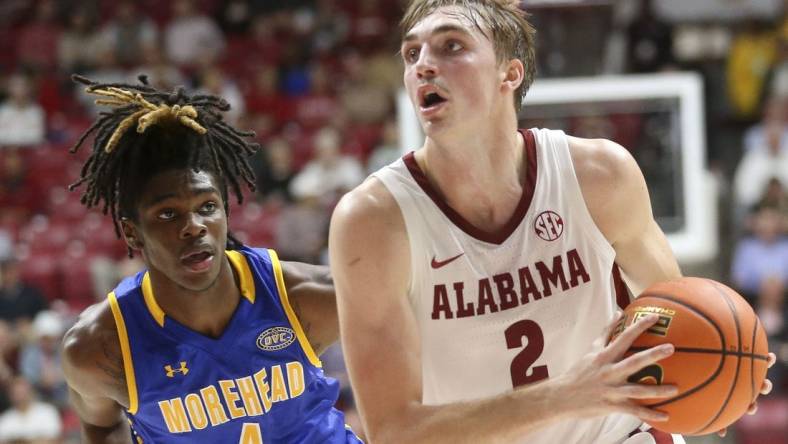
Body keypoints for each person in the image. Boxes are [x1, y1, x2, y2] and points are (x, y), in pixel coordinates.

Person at [328, 1, 776, 443]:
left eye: (451, 46)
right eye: (412, 54)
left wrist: (729, 372)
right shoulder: (372, 222)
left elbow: (677, 316)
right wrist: (565, 396)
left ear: (510, 73)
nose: (423, 65)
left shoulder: (599, 175)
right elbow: (393, 431)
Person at [61, 75, 361, 443]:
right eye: (168, 214)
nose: (194, 226)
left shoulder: (306, 297)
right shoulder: (100, 347)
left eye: (207, 207)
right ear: (132, 233)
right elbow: (101, 426)